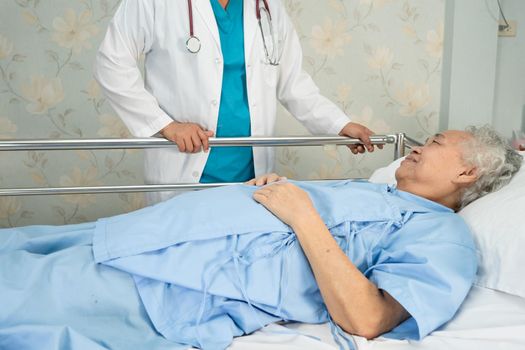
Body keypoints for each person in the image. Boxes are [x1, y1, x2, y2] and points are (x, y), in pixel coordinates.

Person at [0, 126, 521, 350]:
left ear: (467, 173)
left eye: (436, 144)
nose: (418, 146)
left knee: (24, 294)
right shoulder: (378, 194)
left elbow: (367, 318)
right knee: (18, 250)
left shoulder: (443, 236)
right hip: (148, 236)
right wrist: (280, 192)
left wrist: (303, 215)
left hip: (171, 279)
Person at [93, 0, 378, 204]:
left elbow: (293, 83)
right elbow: (112, 63)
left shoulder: (268, 7)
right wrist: (165, 125)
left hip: (252, 175)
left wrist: (340, 124)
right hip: (184, 168)